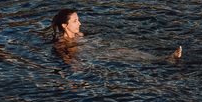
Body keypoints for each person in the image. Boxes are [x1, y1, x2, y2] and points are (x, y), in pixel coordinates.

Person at [51, 9, 182, 63]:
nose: (79, 23)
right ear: (64, 25)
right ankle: (162, 61)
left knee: (124, 50)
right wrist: (73, 63)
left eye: (78, 19)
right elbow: (65, 56)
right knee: (119, 55)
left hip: (94, 47)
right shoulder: (61, 42)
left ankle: (163, 59)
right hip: (89, 53)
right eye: (75, 21)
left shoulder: (78, 34)